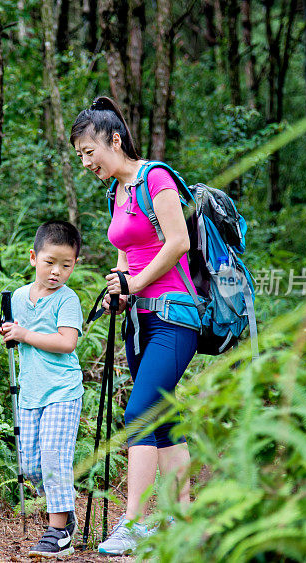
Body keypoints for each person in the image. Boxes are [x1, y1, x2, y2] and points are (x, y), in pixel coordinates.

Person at [69, 96, 198, 555]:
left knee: (138, 414)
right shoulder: (117, 194)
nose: (85, 162)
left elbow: (178, 240)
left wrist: (138, 281)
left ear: (114, 140)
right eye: (80, 155)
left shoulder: (155, 177)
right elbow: (124, 255)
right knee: (162, 419)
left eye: (89, 151)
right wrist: (120, 289)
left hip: (175, 315)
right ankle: (183, 519)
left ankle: (135, 522)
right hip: (140, 319)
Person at [0, 220, 85, 558]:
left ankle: (58, 531)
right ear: (34, 257)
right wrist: (7, 329)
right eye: (50, 263)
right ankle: (66, 515)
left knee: (53, 458)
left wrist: (23, 335)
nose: (56, 272)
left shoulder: (68, 300)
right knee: (31, 464)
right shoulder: (18, 297)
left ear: (74, 265)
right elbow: (15, 333)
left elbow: (66, 342)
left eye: (66, 265)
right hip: (30, 392)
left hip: (62, 391)